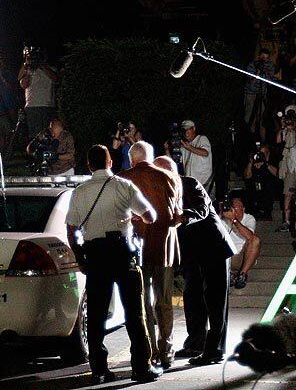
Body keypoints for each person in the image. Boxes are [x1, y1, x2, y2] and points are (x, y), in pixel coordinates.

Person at [66, 144, 162, 384]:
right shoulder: (123, 186)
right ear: (110, 163)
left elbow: (71, 229)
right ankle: (141, 367)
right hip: (122, 252)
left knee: (96, 314)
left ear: (89, 165)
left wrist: (80, 257)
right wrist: (132, 215)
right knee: (134, 313)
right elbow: (151, 216)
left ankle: (99, 369)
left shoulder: (80, 191)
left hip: (96, 255)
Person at [154, 156, 236, 365]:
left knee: (215, 299)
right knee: (193, 296)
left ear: (171, 171)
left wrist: (181, 216)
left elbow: (201, 209)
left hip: (213, 248)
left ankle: (215, 350)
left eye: (160, 173)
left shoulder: (189, 183)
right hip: (193, 253)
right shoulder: (162, 192)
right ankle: (195, 343)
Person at [119, 141, 182, 369]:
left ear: (131, 158)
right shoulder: (169, 177)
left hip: (136, 250)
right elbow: (177, 216)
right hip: (164, 248)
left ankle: (149, 350)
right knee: (164, 300)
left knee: (142, 302)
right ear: (151, 156)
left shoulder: (123, 178)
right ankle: (166, 349)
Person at [18, 46, 58, 140]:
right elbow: (23, 84)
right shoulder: (27, 71)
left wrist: (41, 65)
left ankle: (47, 153)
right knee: (35, 135)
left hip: (48, 106)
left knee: (49, 134)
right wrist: (28, 69)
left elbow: (55, 79)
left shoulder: (50, 69)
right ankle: (35, 154)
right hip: (32, 106)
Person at [221, 197, 261, 287]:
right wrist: (219, 215)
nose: (233, 211)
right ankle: (229, 274)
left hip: (244, 257)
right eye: (232, 208)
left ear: (243, 209)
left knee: (255, 240)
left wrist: (234, 220)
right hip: (228, 257)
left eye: (236, 208)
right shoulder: (223, 219)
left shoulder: (249, 218)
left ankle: (242, 275)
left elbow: (249, 236)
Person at [166, 120, 213, 193]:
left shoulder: (202, 139)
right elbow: (174, 163)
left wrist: (189, 147)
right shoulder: (185, 146)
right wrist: (167, 149)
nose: (186, 132)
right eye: (184, 130)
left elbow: (205, 153)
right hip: (191, 185)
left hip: (205, 184)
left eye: (188, 129)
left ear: (194, 128)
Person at [244, 49, 275, 140]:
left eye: (267, 58)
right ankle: (250, 139)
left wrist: (266, 72)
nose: (264, 60)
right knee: (249, 117)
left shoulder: (270, 66)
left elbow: (270, 82)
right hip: (251, 94)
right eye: (263, 57)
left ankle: (263, 142)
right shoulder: (252, 65)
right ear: (259, 57)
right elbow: (250, 82)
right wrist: (257, 71)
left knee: (262, 119)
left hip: (262, 94)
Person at [244, 143, 279, 220]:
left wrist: (266, 164)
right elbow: (247, 176)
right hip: (256, 187)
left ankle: (265, 213)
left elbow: (277, 173)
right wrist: (250, 162)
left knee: (269, 187)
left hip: (269, 188)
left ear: (268, 153)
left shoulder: (273, 160)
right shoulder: (255, 161)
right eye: (260, 153)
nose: (262, 155)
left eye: (264, 153)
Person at [277, 107, 296, 232]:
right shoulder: (287, 130)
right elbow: (278, 140)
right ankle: (287, 221)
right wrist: (282, 127)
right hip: (290, 166)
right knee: (287, 194)